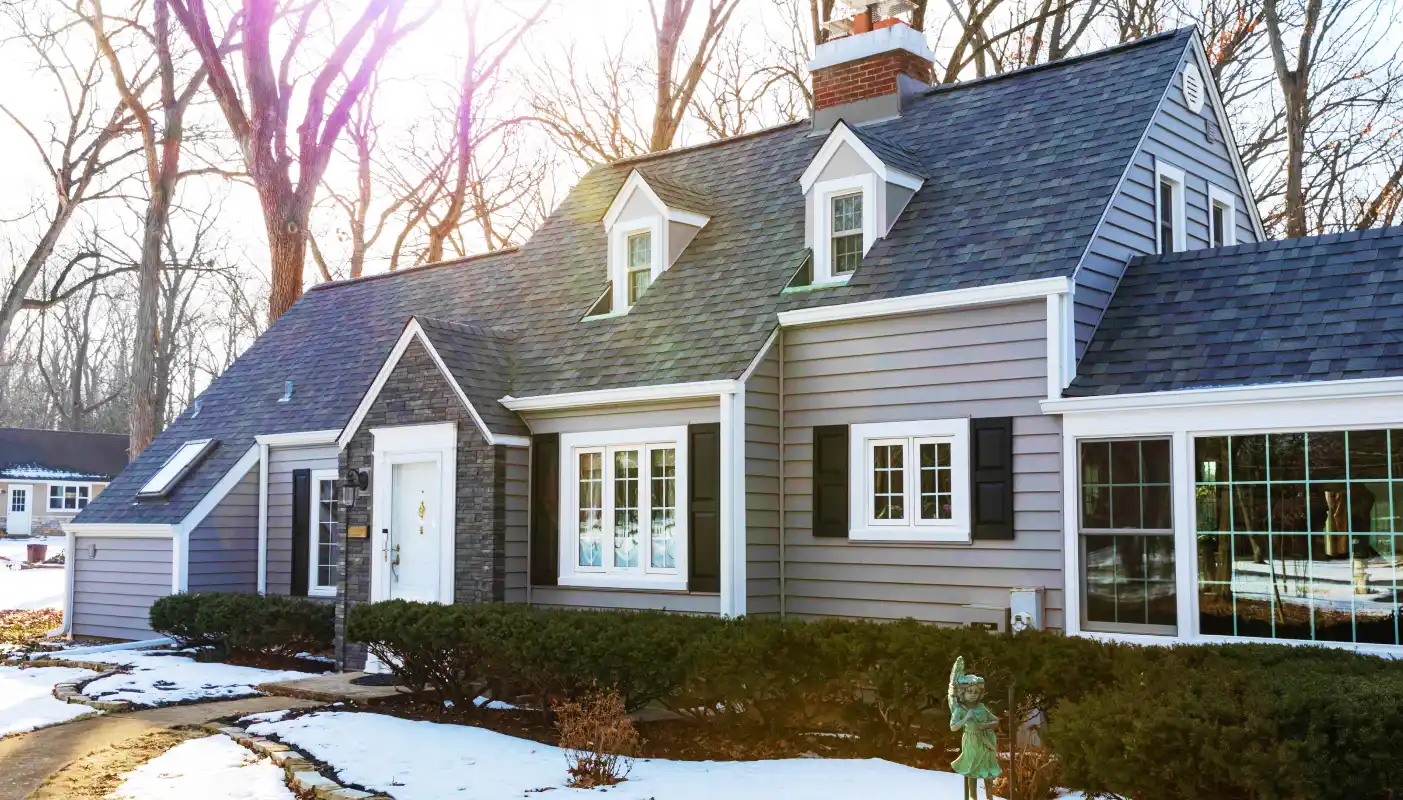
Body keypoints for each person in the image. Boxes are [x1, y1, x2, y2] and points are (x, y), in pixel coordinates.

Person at [949, 656, 1001, 800]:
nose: (973, 695)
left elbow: (995, 721)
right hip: (971, 741)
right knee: (972, 770)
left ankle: (989, 797)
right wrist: (966, 718)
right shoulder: (959, 709)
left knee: (988, 771)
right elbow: (953, 727)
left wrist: (984, 725)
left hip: (986, 741)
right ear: (962, 692)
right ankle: (973, 798)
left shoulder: (982, 707)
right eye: (969, 691)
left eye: (976, 692)